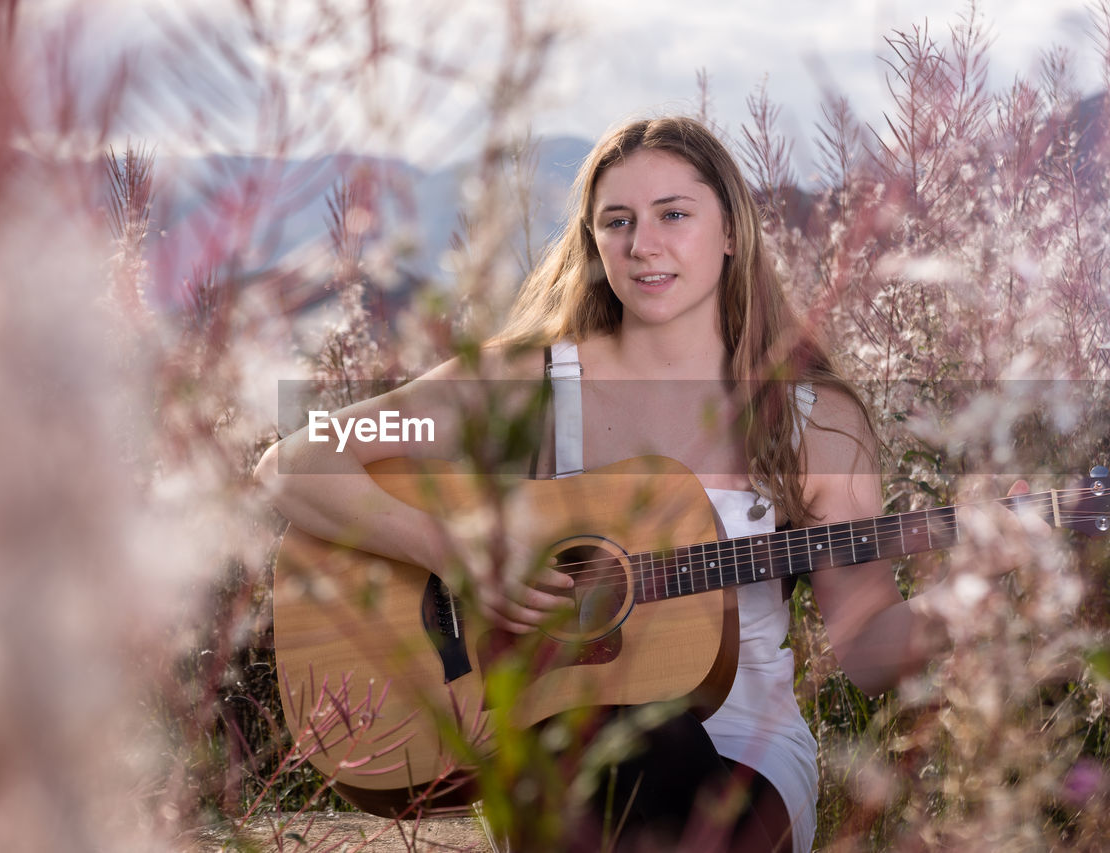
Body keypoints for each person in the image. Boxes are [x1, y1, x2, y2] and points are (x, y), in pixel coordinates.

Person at [257, 115, 1021, 852]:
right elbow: (297, 457)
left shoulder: (810, 420)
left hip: (744, 765)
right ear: (592, 241)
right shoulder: (528, 388)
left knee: (661, 746)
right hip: (564, 751)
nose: (643, 244)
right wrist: (449, 545)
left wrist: (972, 593)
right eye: (616, 220)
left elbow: (866, 651)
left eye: (672, 214)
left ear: (731, 233)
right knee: (611, 736)